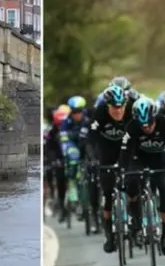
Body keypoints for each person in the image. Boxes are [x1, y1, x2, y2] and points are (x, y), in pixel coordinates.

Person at [119, 96, 165, 254]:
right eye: (143, 125)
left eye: (150, 123)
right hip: (139, 159)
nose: (147, 128)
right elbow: (125, 151)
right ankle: (136, 222)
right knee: (132, 183)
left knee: (164, 189)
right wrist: (122, 170)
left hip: (160, 158)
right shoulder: (131, 127)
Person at [87, 85, 134, 253]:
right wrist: (92, 159)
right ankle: (109, 234)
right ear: (107, 105)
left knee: (133, 185)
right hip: (106, 152)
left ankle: (135, 220)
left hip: (126, 151)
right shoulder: (100, 112)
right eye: (114, 107)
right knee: (107, 195)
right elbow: (91, 139)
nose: (118, 111)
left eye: (121, 106)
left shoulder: (130, 113)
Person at [59, 96, 93, 225]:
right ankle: (73, 185)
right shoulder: (66, 122)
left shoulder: (88, 120)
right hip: (73, 146)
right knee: (72, 158)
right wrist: (65, 151)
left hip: (85, 146)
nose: (76, 114)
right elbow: (63, 139)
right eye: (74, 112)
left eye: (79, 111)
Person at [44, 107, 70, 223]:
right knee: (60, 184)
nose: (61, 127)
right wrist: (54, 160)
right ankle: (62, 208)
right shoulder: (51, 132)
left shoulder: (72, 127)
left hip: (72, 157)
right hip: (59, 160)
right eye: (59, 124)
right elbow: (50, 149)